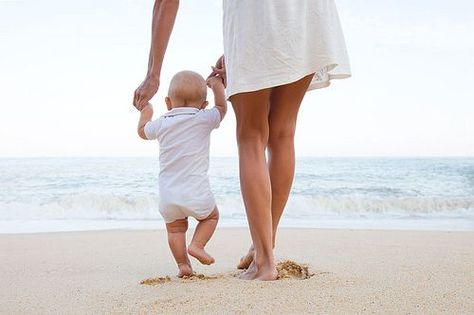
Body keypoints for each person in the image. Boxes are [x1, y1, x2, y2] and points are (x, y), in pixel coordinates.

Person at [134, 0, 351, 281]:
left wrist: (153, 74)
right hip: (307, 13)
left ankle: (264, 262)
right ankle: (263, 245)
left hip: (253, 14)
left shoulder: (165, 121)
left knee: (251, 135)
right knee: (283, 132)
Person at [137, 70, 227, 277]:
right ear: (203, 105)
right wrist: (216, 86)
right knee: (211, 217)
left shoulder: (161, 123)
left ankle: (183, 266)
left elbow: (143, 132)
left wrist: (146, 111)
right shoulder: (204, 118)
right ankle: (197, 245)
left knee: (176, 230)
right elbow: (222, 108)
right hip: (196, 191)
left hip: (168, 196)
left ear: (168, 103)